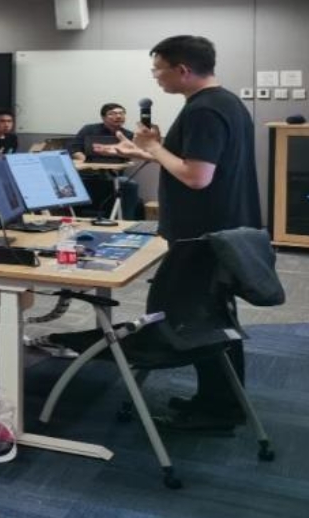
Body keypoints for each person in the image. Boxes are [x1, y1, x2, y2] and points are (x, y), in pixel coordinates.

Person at [94, 35, 260, 431]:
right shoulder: (226, 102)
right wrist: (145, 151)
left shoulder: (203, 110)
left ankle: (219, 411)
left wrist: (153, 146)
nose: (156, 78)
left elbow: (197, 176)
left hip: (202, 235)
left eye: (159, 70)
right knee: (212, 317)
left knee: (197, 321)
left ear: (182, 70)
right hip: (220, 229)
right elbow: (194, 161)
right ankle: (219, 400)